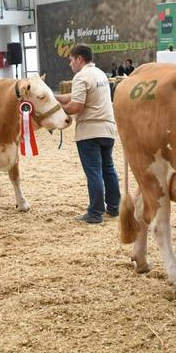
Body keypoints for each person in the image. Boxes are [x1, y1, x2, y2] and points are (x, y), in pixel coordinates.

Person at [54, 44, 121, 225]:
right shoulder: (100, 74)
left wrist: (57, 109)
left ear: (79, 59)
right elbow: (75, 96)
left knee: (94, 172)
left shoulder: (80, 76)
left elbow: (76, 106)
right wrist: (54, 98)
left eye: (71, 60)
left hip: (90, 131)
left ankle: (95, 213)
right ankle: (114, 207)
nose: (70, 64)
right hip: (107, 129)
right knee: (108, 169)